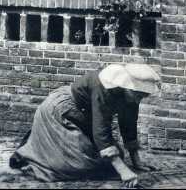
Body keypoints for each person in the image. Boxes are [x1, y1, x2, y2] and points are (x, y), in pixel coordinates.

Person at [9, 63, 162, 187]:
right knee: (80, 163)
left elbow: (128, 124)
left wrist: (136, 161)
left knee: (114, 158)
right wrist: (123, 170)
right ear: (125, 85)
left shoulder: (130, 96)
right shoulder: (103, 87)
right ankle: (28, 158)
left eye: (143, 96)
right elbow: (101, 129)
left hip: (82, 116)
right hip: (61, 112)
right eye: (137, 95)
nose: (138, 100)